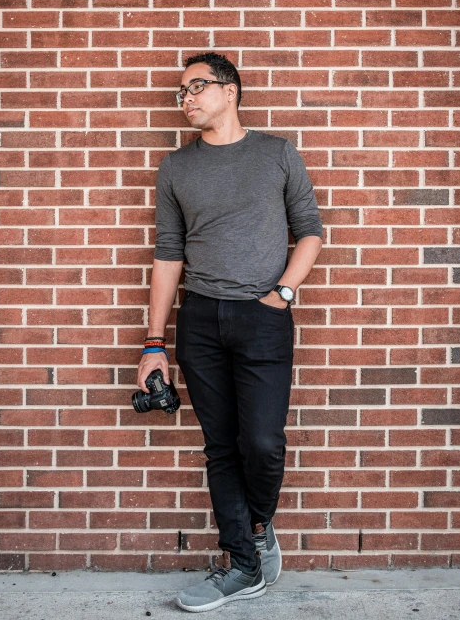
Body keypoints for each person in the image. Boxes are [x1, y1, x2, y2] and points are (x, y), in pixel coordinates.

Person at [137, 52, 323, 612]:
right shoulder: (176, 168)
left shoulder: (277, 154)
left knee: (261, 444)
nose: (186, 99)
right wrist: (154, 344)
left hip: (263, 318)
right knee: (220, 448)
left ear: (230, 90)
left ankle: (259, 528)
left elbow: (310, 232)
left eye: (195, 87)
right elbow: (168, 254)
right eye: (181, 92)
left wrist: (282, 295)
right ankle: (242, 564)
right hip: (199, 319)